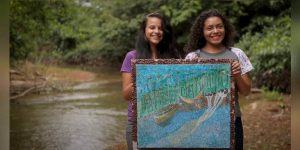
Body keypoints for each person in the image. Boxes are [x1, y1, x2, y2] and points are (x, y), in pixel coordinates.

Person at [184, 9, 253, 150]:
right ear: (202, 32)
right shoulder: (192, 57)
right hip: (200, 122)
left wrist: (237, 73)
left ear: (225, 28)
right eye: (209, 28)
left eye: (219, 26)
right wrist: (193, 72)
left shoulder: (236, 54)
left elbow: (246, 91)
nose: (215, 31)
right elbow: (188, 96)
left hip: (231, 122)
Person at [120, 12, 180, 150]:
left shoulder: (174, 56)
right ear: (144, 31)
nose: (156, 31)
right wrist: (148, 74)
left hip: (168, 121)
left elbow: (178, 89)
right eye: (152, 27)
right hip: (138, 123)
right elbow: (126, 95)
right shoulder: (132, 56)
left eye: (160, 28)